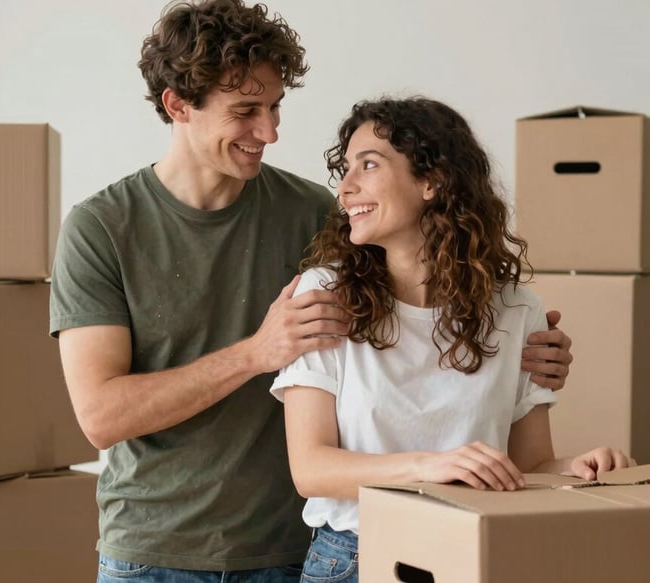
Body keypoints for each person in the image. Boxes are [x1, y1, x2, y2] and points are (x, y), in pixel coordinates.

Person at [49, 2, 573, 581]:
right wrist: (256, 352)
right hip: (156, 553)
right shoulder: (101, 228)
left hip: (296, 547)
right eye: (246, 111)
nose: (270, 132)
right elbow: (100, 416)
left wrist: (527, 348)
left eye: (274, 107)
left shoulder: (318, 216)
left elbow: (418, 312)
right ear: (178, 105)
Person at [270, 96, 634, 583]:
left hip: (473, 551)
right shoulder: (325, 296)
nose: (346, 189)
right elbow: (311, 468)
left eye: (369, 165)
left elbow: (528, 465)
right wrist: (434, 466)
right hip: (355, 556)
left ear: (431, 181)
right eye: (347, 169)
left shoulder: (516, 310)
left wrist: (577, 467)